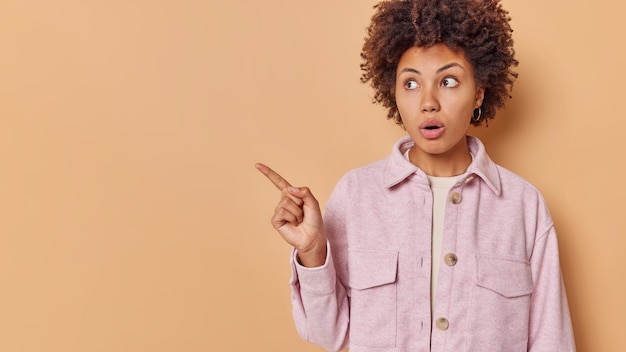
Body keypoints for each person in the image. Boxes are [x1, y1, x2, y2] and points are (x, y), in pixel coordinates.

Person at [256, 0, 576, 351]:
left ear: (479, 93)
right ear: (392, 93)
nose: (428, 102)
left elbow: (552, 340)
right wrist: (314, 252)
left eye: (448, 81)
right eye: (410, 84)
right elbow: (326, 333)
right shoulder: (356, 196)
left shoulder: (523, 206)